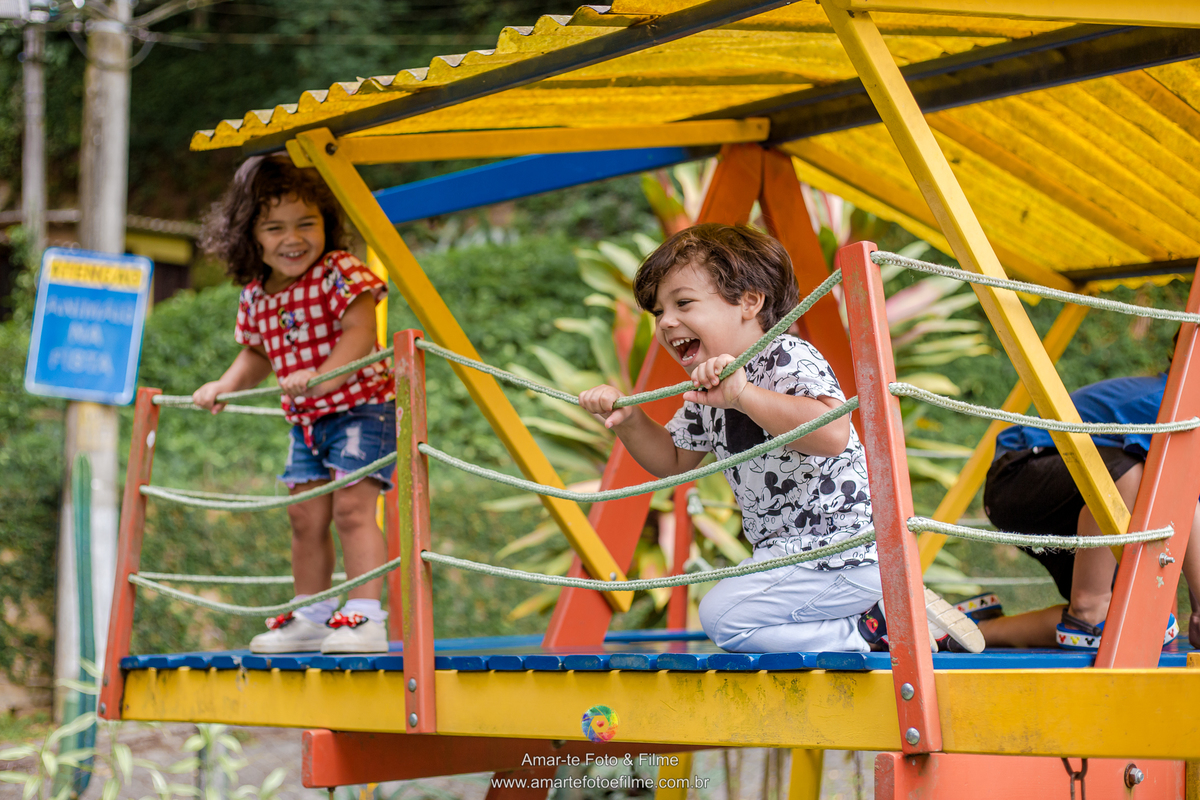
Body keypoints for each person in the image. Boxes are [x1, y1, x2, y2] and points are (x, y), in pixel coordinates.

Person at [580, 224, 983, 654]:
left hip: (844, 551)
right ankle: (885, 619)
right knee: (728, 614)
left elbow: (831, 433)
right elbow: (673, 460)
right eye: (659, 312)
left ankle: (873, 629)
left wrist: (744, 396)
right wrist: (628, 420)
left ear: (750, 302)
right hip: (791, 558)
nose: (668, 322)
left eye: (683, 303)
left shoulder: (786, 356)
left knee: (723, 617)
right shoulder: (707, 391)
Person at [192, 156, 395, 654]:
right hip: (306, 422)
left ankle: (366, 617)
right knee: (305, 518)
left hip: (362, 409)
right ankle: (313, 613)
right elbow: (257, 353)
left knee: (351, 510)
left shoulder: (339, 272)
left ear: (327, 222)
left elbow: (361, 330)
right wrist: (225, 384)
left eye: (307, 223)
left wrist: (324, 376)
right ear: (251, 236)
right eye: (275, 227)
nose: (293, 238)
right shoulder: (256, 295)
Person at [978, 372, 1200, 650]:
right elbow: (1181, 492)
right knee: (1131, 472)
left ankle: (979, 631)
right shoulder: (1172, 401)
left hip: (1086, 499)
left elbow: (1188, 513)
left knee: (1132, 614)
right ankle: (1089, 607)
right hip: (1019, 476)